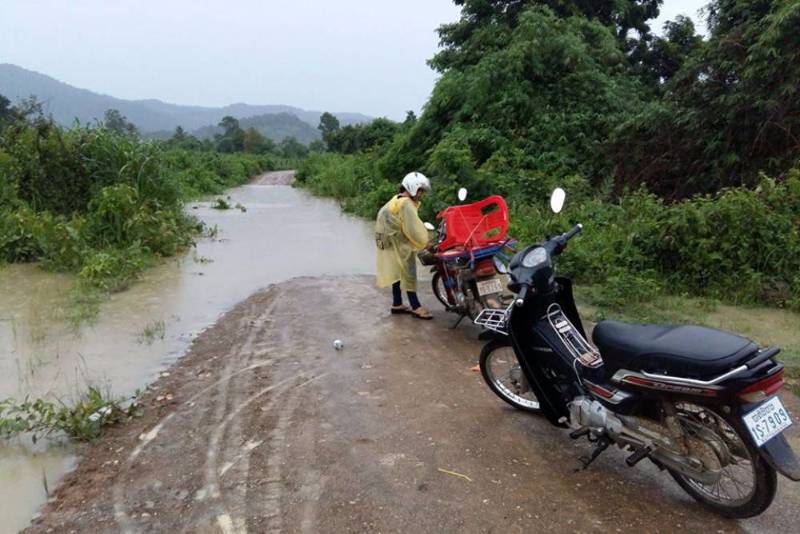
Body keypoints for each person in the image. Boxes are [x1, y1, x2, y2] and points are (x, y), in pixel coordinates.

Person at [375, 172, 433, 320]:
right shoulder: (406, 204)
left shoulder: (397, 199)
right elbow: (413, 228)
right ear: (413, 188)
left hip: (388, 240)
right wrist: (425, 242)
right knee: (409, 272)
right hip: (399, 242)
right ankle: (416, 306)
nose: (421, 195)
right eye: (420, 191)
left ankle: (397, 303)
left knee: (397, 271)